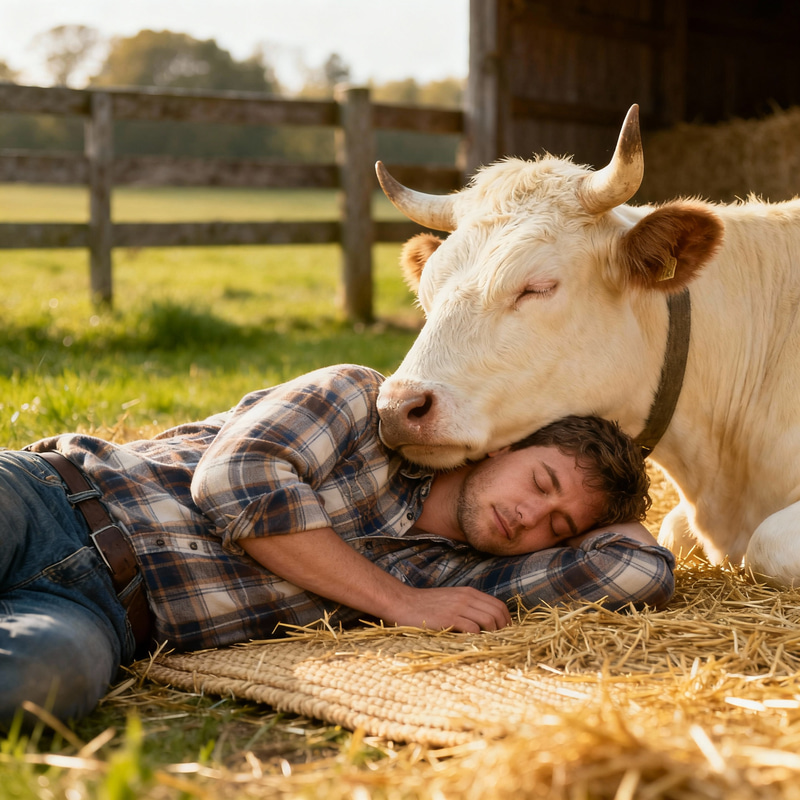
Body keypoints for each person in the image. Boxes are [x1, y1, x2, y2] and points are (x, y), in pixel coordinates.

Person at [0, 364, 674, 728]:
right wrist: (401, 603)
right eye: (541, 482)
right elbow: (236, 481)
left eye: (556, 527)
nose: (529, 517)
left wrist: (600, 517)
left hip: (106, 619)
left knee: (35, 685)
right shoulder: (360, 402)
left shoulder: (464, 579)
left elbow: (636, 569)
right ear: (505, 443)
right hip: (50, 500)